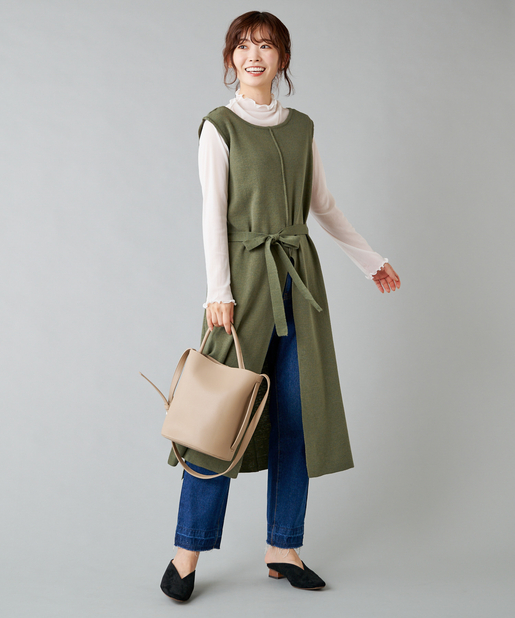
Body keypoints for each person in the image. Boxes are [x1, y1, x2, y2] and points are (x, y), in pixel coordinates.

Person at [160, 10, 401, 602]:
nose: (254, 55)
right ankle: (186, 554)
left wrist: (371, 260)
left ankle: (283, 548)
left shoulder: (302, 127)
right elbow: (211, 214)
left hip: (299, 280)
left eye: (266, 46)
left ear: (283, 58)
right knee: (217, 418)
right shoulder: (219, 127)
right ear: (230, 58)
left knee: (297, 413)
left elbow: (323, 205)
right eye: (243, 45)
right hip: (242, 283)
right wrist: (219, 291)